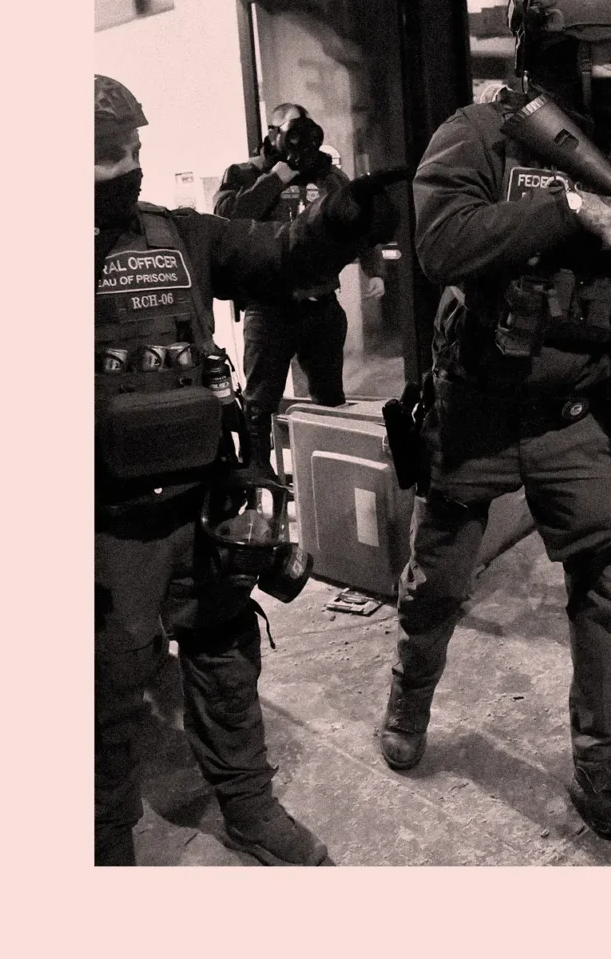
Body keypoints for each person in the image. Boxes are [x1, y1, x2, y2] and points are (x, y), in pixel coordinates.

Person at [376, 0, 611, 841]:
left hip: (574, 417)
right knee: (437, 584)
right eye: (603, 58)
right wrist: (564, 211)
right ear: (553, 60)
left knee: (605, 588)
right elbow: (440, 245)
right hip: (475, 410)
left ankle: (601, 763)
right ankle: (408, 698)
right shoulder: (479, 136)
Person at [95, 75, 395, 865]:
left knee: (225, 658)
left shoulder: (179, 236)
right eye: (103, 153)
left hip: (203, 501)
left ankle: (250, 808)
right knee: (104, 688)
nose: (126, 168)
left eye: (132, 150)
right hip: (103, 522)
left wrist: (344, 216)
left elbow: (276, 256)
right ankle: (104, 836)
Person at [216, 104, 373, 454]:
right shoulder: (243, 173)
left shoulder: (326, 175)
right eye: (292, 132)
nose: (300, 141)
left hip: (320, 306)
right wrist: (276, 178)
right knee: (259, 405)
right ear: (273, 134)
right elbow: (226, 221)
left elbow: (359, 216)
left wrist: (372, 267)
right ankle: (258, 476)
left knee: (330, 399)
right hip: (267, 308)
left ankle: (330, 471)